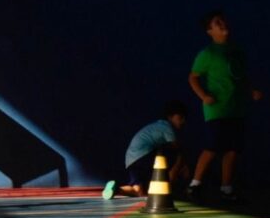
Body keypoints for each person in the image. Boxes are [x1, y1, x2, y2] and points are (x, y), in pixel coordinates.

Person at [186, 11, 263, 203]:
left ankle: (226, 187)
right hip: (217, 108)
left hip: (237, 107)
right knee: (213, 146)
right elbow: (193, 77)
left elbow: (241, 77)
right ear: (210, 31)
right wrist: (203, 95)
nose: (222, 24)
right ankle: (195, 184)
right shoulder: (208, 53)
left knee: (233, 149)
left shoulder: (237, 51)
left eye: (223, 21)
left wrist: (251, 91)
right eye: (217, 23)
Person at [103, 100, 188, 199]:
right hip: (143, 156)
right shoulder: (167, 128)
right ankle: (167, 189)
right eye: (180, 118)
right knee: (177, 156)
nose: (183, 121)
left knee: (138, 191)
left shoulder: (158, 126)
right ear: (170, 117)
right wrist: (184, 167)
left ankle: (116, 189)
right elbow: (178, 149)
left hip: (131, 159)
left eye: (184, 118)